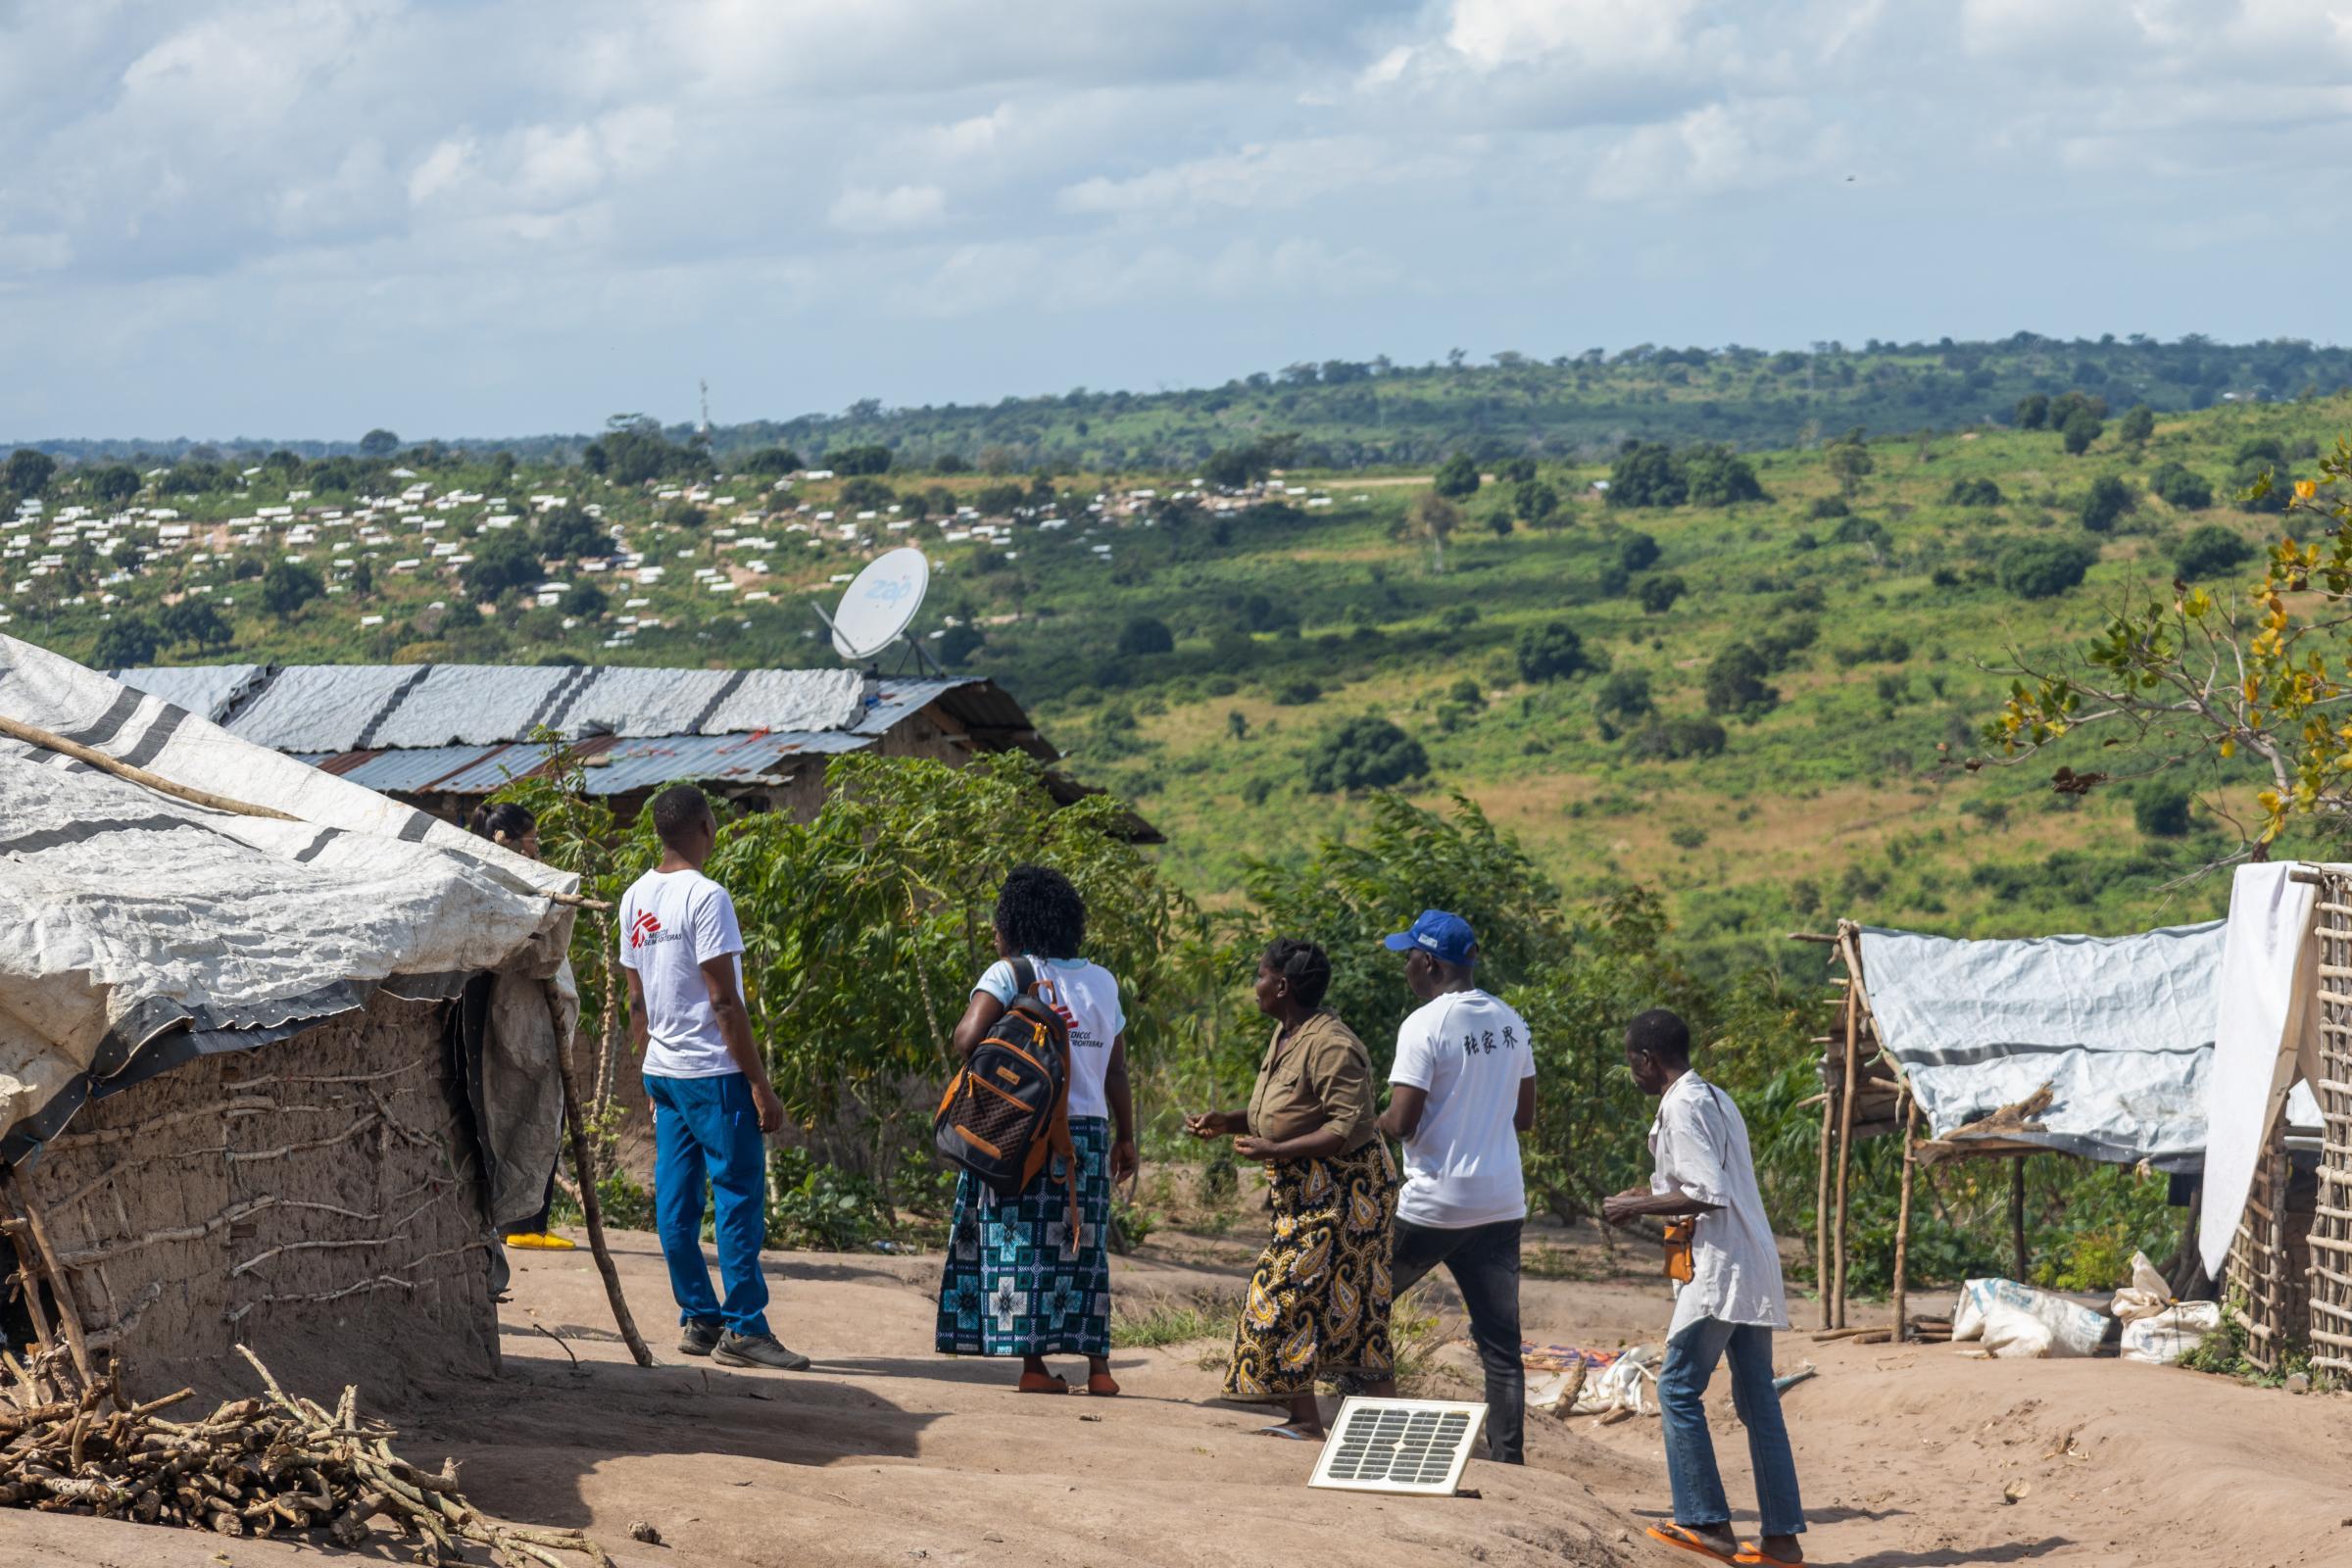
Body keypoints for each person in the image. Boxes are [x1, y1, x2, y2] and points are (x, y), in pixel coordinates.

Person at [1604, 1008, 1804, 1567]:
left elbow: (1708, 1192)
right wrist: (1644, 1193)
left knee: (1676, 1389)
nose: (1633, 1074)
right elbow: (1697, 1181)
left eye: (1632, 1063)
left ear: (1649, 1059)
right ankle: (1782, 1539)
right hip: (1750, 1261)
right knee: (1758, 1398)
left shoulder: (1683, 1104)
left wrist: (1636, 1206)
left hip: (1721, 1268)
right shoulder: (1714, 1095)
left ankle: (1708, 1522)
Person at [619, 784, 808, 1372]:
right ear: (706, 825)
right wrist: (760, 1084)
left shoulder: (634, 897)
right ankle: (745, 1328)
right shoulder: (707, 897)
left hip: (666, 1076)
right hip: (714, 1074)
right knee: (736, 1201)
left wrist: (649, 1070)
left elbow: (635, 1003)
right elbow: (724, 1002)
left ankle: (701, 1319)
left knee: (675, 1204)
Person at [935, 865, 1137, 1395]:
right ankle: (1100, 1370)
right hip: (1088, 1135)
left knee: (1019, 1247)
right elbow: (1117, 1068)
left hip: (1021, 1132)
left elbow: (966, 1039)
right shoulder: (1104, 981)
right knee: (1084, 1245)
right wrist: (1127, 1136)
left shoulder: (1011, 973)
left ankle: (1033, 1367)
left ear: (1014, 924)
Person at [1187, 938, 1398, 1441]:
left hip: (1348, 1193)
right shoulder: (1289, 1034)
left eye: (1259, 975)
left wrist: (1277, 1152)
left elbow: (1345, 1128)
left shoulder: (1331, 1043)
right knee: (1341, 1306)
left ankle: (1327, 1422)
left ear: (1281, 985)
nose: (1254, 986)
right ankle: (1329, 1421)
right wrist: (1228, 1121)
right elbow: (1287, 1110)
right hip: (1306, 1192)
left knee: (1287, 1294)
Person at [1378, 908, 1535, 1465]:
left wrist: (1350, 1129)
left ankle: (1364, 1414)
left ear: (1430, 963)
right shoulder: (1511, 1021)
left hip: (1434, 1204)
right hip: (1499, 1202)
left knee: (1366, 1301)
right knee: (1500, 1344)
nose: (1405, 966)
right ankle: (1509, 1459)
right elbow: (1524, 1116)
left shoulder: (1424, 1025)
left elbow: (1400, 1123)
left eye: (1408, 957)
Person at [467, 803, 574, 1254]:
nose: (537, 848)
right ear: (505, 841)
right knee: (526, 1111)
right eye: (531, 839)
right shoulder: (498, 885)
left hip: (521, 1019)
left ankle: (525, 1216)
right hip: (510, 1018)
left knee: (537, 1111)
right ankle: (522, 1219)